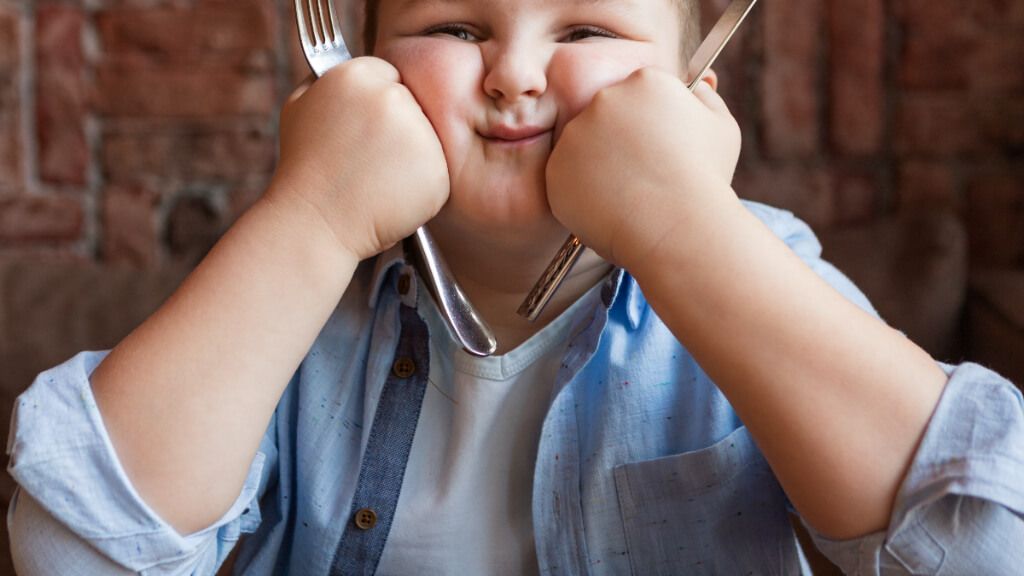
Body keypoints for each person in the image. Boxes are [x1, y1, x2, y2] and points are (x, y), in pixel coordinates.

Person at [7, 0, 1023, 573]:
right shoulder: (291, 291)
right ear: (360, 79)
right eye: (456, 26)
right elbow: (61, 553)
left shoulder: (759, 268)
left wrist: (683, 226)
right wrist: (311, 217)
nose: (515, 74)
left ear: (692, 98)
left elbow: (988, 549)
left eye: (584, 31)